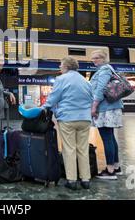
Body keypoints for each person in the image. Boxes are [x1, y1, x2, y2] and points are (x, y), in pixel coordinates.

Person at [42, 57, 93, 190]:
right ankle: (85, 179)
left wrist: (44, 107)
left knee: (69, 149)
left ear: (66, 66)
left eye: (61, 65)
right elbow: (91, 99)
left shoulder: (61, 79)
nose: (60, 67)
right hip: (85, 119)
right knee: (83, 149)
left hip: (68, 118)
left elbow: (53, 98)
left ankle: (72, 180)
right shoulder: (86, 82)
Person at [90, 49, 123, 180]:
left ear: (104, 59)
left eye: (97, 58)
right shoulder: (109, 70)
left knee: (107, 138)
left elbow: (100, 90)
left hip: (105, 109)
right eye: (93, 58)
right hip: (110, 108)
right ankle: (116, 166)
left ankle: (110, 171)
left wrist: (94, 106)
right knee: (111, 138)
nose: (94, 60)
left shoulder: (104, 71)